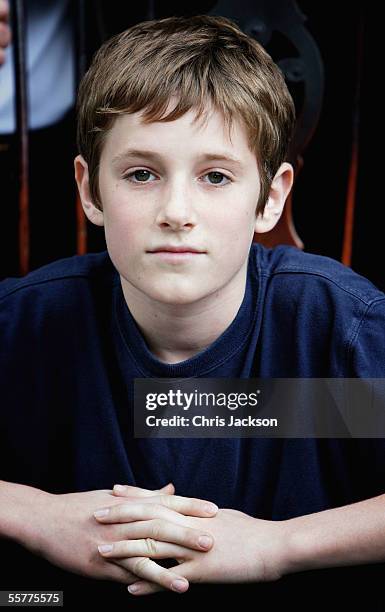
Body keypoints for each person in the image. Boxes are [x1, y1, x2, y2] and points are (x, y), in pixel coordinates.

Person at [1, 14, 385, 610]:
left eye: (214, 176)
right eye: (141, 174)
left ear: (271, 197)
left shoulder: (337, 327)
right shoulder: (27, 325)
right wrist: (33, 515)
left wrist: (277, 546)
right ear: (89, 190)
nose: (177, 211)